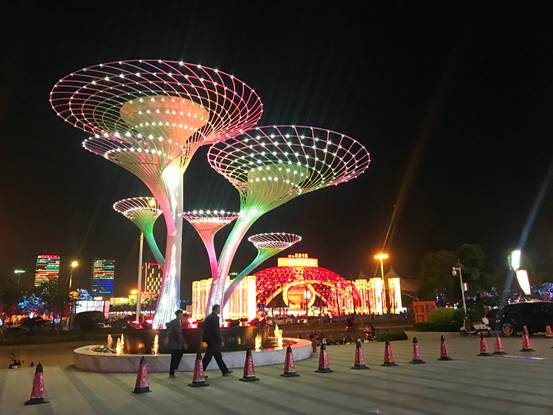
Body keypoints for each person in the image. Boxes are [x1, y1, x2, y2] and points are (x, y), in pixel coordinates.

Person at [202, 304, 232, 376]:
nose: (220, 310)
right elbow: (216, 330)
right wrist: (220, 340)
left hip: (209, 339)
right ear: (216, 309)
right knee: (208, 357)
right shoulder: (214, 318)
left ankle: (225, 371)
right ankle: (200, 372)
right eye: (219, 309)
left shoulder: (208, 317)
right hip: (213, 340)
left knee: (218, 356)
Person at [166, 309, 187, 378]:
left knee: (177, 356)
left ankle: (173, 370)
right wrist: (184, 343)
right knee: (175, 357)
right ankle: (172, 372)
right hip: (175, 343)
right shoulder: (176, 323)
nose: (182, 316)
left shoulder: (177, 322)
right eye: (181, 315)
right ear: (179, 315)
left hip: (175, 343)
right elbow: (179, 334)